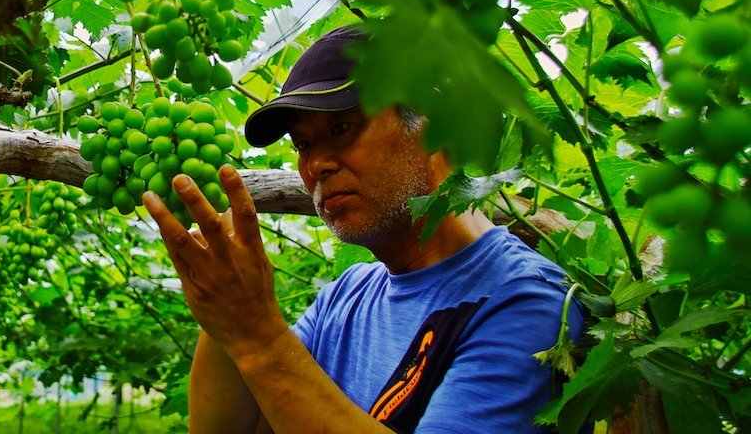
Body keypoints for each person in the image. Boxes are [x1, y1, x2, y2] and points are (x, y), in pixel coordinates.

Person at [141, 26, 585, 433]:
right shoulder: (348, 295)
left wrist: (257, 337)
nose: (316, 164)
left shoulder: (529, 302)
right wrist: (224, 310)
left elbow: (269, 358)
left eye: (341, 128)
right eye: (303, 144)